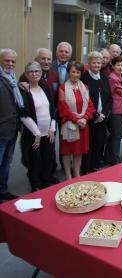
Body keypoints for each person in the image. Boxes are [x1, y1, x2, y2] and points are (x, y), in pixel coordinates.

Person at [19, 62, 57, 191]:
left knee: (49, 158)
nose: (34, 74)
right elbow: (23, 114)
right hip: (33, 135)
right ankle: (35, 185)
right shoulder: (24, 90)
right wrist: (36, 133)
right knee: (35, 161)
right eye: (31, 71)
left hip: (48, 133)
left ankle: (45, 182)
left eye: (37, 71)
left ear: (41, 73)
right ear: (26, 74)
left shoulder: (44, 88)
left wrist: (52, 128)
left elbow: (52, 109)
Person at [58, 62, 95, 180]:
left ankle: (76, 173)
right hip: (70, 124)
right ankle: (68, 174)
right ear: (69, 73)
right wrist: (76, 119)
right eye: (73, 72)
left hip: (83, 124)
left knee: (78, 151)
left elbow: (90, 105)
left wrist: (85, 118)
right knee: (67, 151)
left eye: (78, 72)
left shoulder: (85, 87)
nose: (75, 74)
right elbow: (63, 107)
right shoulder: (63, 88)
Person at [81, 51, 112, 173]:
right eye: (94, 62)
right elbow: (84, 99)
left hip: (102, 117)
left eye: (99, 63)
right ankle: (86, 167)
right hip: (89, 117)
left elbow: (109, 98)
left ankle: (95, 164)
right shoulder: (84, 78)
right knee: (88, 143)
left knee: (99, 142)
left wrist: (104, 113)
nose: (96, 65)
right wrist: (95, 115)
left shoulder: (104, 78)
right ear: (89, 63)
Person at [0, 49, 23, 200]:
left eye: (13, 61)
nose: (10, 64)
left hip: (12, 129)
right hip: (1, 129)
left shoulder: (13, 79)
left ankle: (3, 190)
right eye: (6, 61)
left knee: (6, 163)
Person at [107, 56, 122, 165]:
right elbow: (121, 93)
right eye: (118, 65)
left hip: (121, 110)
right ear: (113, 66)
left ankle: (110, 157)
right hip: (115, 111)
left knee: (115, 135)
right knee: (116, 135)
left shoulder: (120, 76)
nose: (120, 67)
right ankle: (115, 159)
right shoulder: (112, 78)